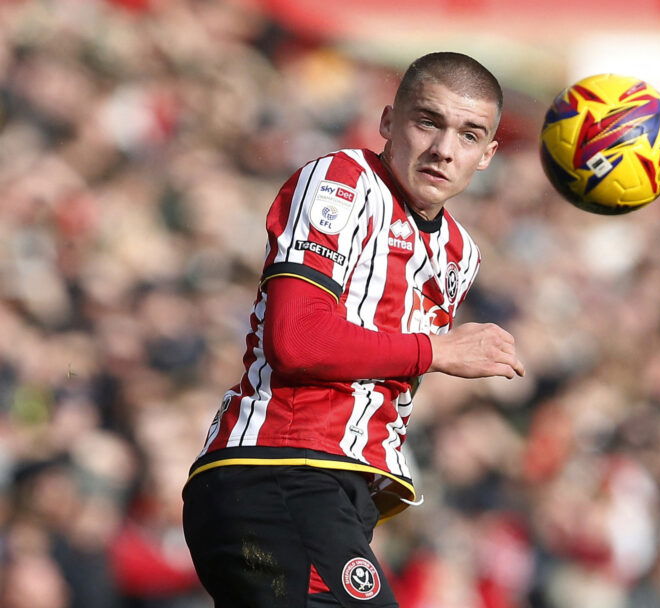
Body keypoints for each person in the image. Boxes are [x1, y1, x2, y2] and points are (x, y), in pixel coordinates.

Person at [182, 51, 525, 608]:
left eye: (469, 135)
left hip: (335, 494)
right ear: (389, 122)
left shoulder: (460, 253)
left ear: (486, 155)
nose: (443, 149)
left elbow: (380, 370)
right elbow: (297, 341)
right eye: (427, 121)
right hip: (277, 470)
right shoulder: (342, 181)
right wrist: (436, 350)